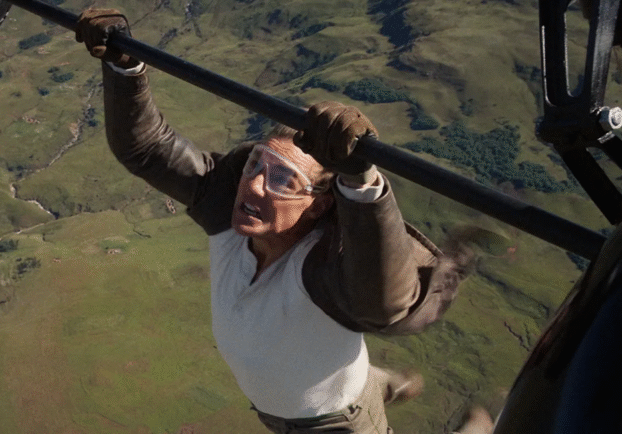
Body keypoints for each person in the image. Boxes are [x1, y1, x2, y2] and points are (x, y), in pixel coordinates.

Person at [75, 9, 469, 433]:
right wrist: (124, 65)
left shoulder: (324, 269)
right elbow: (149, 150)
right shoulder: (227, 215)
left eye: (283, 179)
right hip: (289, 403)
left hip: (335, 425)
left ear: (317, 205)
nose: (256, 185)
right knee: (348, 374)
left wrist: (361, 179)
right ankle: (383, 384)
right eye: (257, 164)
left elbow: (385, 298)